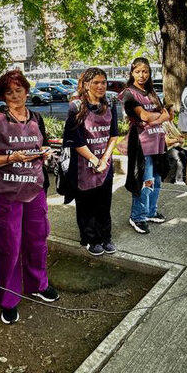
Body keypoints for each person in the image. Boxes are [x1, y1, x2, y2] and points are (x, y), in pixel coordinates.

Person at [0, 70, 58, 325]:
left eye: (18, 90)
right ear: (2, 95)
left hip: (34, 190)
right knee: (8, 246)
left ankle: (37, 284)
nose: (14, 96)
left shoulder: (37, 118)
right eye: (9, 92)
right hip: (5, 194)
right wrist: (9, 158)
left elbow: (39, 148)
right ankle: (9, 298)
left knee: (37, 241)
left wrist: (44, 154)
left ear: (26, 91)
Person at [61, 67, 120, 256]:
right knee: (87, 203)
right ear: (86, 84)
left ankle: (105, 237)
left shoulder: (109, 104)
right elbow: (76, 140)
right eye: (96, 82)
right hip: (83, 165)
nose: (100, 86)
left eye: (103, 82)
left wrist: (104, 160)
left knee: (104, 202)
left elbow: (114, 135)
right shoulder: (76, 106)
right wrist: (95, 160)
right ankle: (90, 238)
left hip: (105, 164)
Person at [121, 57, 171, 235]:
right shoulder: (129, 93)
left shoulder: (151, 92)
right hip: (142, 144)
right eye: (138, 71)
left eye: (145, 71)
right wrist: (160, 118)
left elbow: (166, 113)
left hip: (157, 142)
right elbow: (144, 116)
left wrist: (159, 117)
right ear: (132, 73)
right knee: (145, 180)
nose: (142, 75)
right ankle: (138, 216)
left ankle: (150, 211)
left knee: (157, 179)